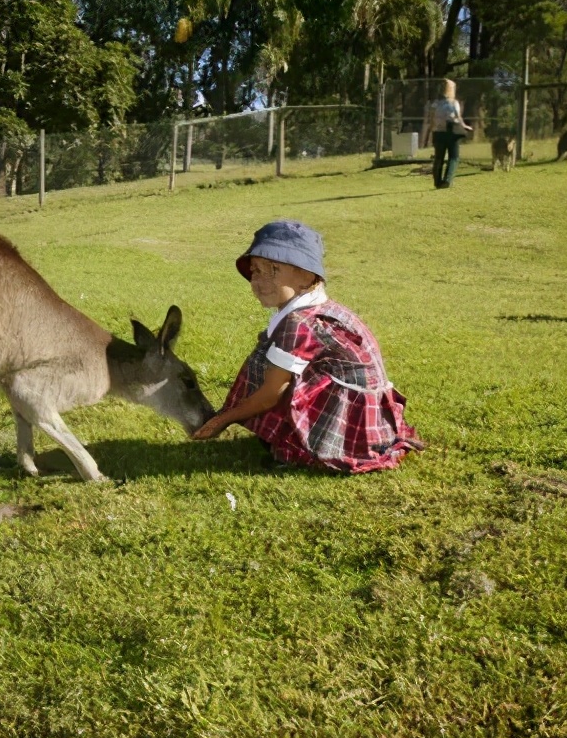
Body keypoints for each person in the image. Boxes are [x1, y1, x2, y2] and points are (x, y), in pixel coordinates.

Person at [192, 220, 422, 473]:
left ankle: (305, 448)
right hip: (372, 419)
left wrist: (221, 420)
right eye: (256, 271)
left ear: (306, 276)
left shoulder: (300, 322)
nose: (259, 281)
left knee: (267, 367)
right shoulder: (319, 309)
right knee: (272, 359)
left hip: (353, 428)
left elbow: (271, 394)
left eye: (274, 269)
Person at [423, 78, 471, 189]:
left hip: (438, 131)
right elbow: (458, 118)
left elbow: (432, 120)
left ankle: (437, 182)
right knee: (453, 157)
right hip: (451, 131)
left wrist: (430, 133)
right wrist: (465, 126)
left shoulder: (435, 103)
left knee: (438, 158)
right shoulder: (454, 103)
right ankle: (447, 180)